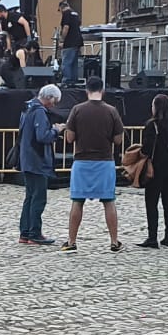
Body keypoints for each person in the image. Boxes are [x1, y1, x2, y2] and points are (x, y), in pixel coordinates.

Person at [61, 77, 125, 253]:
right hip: (104, 162)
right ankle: (114, 241)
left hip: (82, 161)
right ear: (102, 91)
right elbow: (118, 140)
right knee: (109, 202)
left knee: (77, 201)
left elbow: (70, 138)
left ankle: (71, 241)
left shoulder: (77, 110)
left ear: (86, 91)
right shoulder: (111, 111)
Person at [17, 84, 62, 246]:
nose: (54, 105)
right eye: (54, 101)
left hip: (27, 159)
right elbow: (42, 136)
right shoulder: (39, 112)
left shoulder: (28, 108)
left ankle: (25, 232)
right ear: (49, 98)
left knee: (29, 197)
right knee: (38, 197)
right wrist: (56, 130)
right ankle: (34, 233)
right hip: (37, 160)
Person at [138, 92, 168, 249]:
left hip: (156, 168)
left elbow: (147, 149)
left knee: (152, 202)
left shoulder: (152, 125)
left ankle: (152, 237)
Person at [57, 3, 84, 86]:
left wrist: (62, 40)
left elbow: (66, 27)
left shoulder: (66, 14)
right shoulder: (75, 14)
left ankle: (66, 81)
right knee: (74, 63)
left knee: (66, 63)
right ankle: (74, 81)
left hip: (69, 42)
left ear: (61, 8)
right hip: (77, 41)